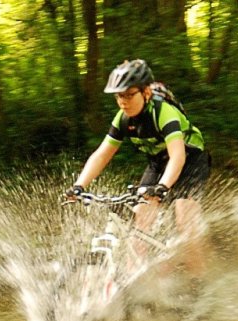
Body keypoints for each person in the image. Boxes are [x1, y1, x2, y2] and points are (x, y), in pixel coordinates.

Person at [65, 59, 211, 278]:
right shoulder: (123, 119)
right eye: (118, 96)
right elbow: (102, 154)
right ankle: (137, 282)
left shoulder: (164, 113)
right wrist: (78, 186)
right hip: (157, 163)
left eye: (128, 94)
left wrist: (162, 187)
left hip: (190, 160)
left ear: (146, 93)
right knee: (140, 222)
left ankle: (200, 282)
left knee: (184, 218)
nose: (123, 101)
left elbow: (178, 156)